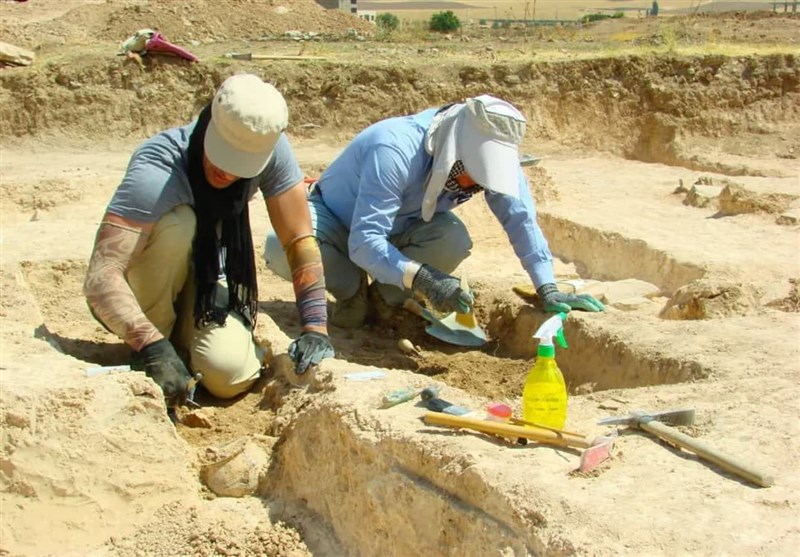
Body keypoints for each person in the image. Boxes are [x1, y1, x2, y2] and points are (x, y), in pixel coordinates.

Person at [84, 73, 334, 407]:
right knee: (179, 224)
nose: (228, 173)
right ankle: (153, 341)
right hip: (148, 283)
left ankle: (182, 344)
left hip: (205, 281)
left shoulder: (271, 149)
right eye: (224, 155)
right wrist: (151, 346)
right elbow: (102, 276)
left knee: (228, 375)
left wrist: (315, 328)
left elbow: (298, 240)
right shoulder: (159, 166)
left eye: (241, 166)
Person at [264, 94, 604, 329]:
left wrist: (547, 286)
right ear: (455, 149)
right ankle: (352, 294)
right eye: (473, 173)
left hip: (403, 228)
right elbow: (365, 242)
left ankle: (385, 298)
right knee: (282, 247)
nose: (475, 186)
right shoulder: (394, 148)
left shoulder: (494, 159)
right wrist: (427, 279)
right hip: (339, 222)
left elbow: (520, 218)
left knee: (452, 239)